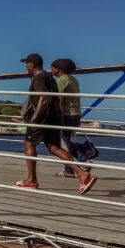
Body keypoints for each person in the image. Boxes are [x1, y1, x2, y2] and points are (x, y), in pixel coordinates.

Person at [15, 53, 95, 193]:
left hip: (42, 118)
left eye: (27, 64)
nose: (26, 67)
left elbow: (44, 98)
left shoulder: (39, 77)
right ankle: (83, 175)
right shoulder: (49, 77)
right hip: (53, 118)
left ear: (32, 64)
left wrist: (34, 118)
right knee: (54, 148)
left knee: (28, 143)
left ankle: (31, 180)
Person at [50, 58, 82, 176]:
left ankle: (82, 160)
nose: (51, 70)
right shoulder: (73, 79)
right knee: (65, 139)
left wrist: (57, 114)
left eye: (52, 68)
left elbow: (60, 99)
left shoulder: (61, 80)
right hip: (76, 113)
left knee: (62, 141)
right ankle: (69, 169)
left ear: (58, 69)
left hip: (66, 113)